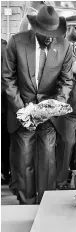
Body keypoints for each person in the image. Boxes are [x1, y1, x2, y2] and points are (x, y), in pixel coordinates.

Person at [2, 6, 73, 204]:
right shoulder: (17, 42)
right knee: (24, 160)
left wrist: (55, 106)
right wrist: (22, 110)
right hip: (23, 111)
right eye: (46, 34)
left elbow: (67, 81)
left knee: (48, 161)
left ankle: (45, 204)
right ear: (36, 29)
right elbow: (7, 78)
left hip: (48, 115)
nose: (50, 37)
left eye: (54, 33)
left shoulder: (65, 46)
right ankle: (26, 203)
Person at [55, 14, 76, 190]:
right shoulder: (58, 46)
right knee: (66, 145)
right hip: (67, 105)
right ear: (68, 28)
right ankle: (60, 182)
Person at [1, 39, 11, 185]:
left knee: (5, 140)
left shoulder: (3, 47)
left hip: (4, 104)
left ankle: (4, 171)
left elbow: (6, 76)